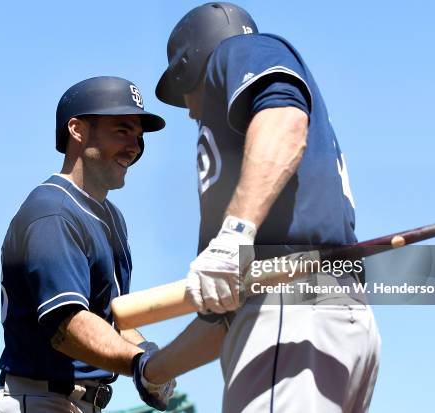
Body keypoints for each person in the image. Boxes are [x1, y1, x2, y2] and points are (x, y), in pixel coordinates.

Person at [145, 3, 381, 412]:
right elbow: (223, 318)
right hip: (320, 316)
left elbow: (285, 117)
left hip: (292, 308)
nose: (187, 109)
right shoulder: (251, 192)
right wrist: (152, 371)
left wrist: (235, 234)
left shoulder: (236, 53)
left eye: (183, 89)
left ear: (189, 64)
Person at [0, 76, 176, 413]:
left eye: (138, 136)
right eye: (122, 130)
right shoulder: (53, 212)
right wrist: (142, 365)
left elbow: (112, 317)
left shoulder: (111, 217)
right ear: (77, 130)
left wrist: (148, 351)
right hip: (40, 399)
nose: (135, 147)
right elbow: (70, 326)